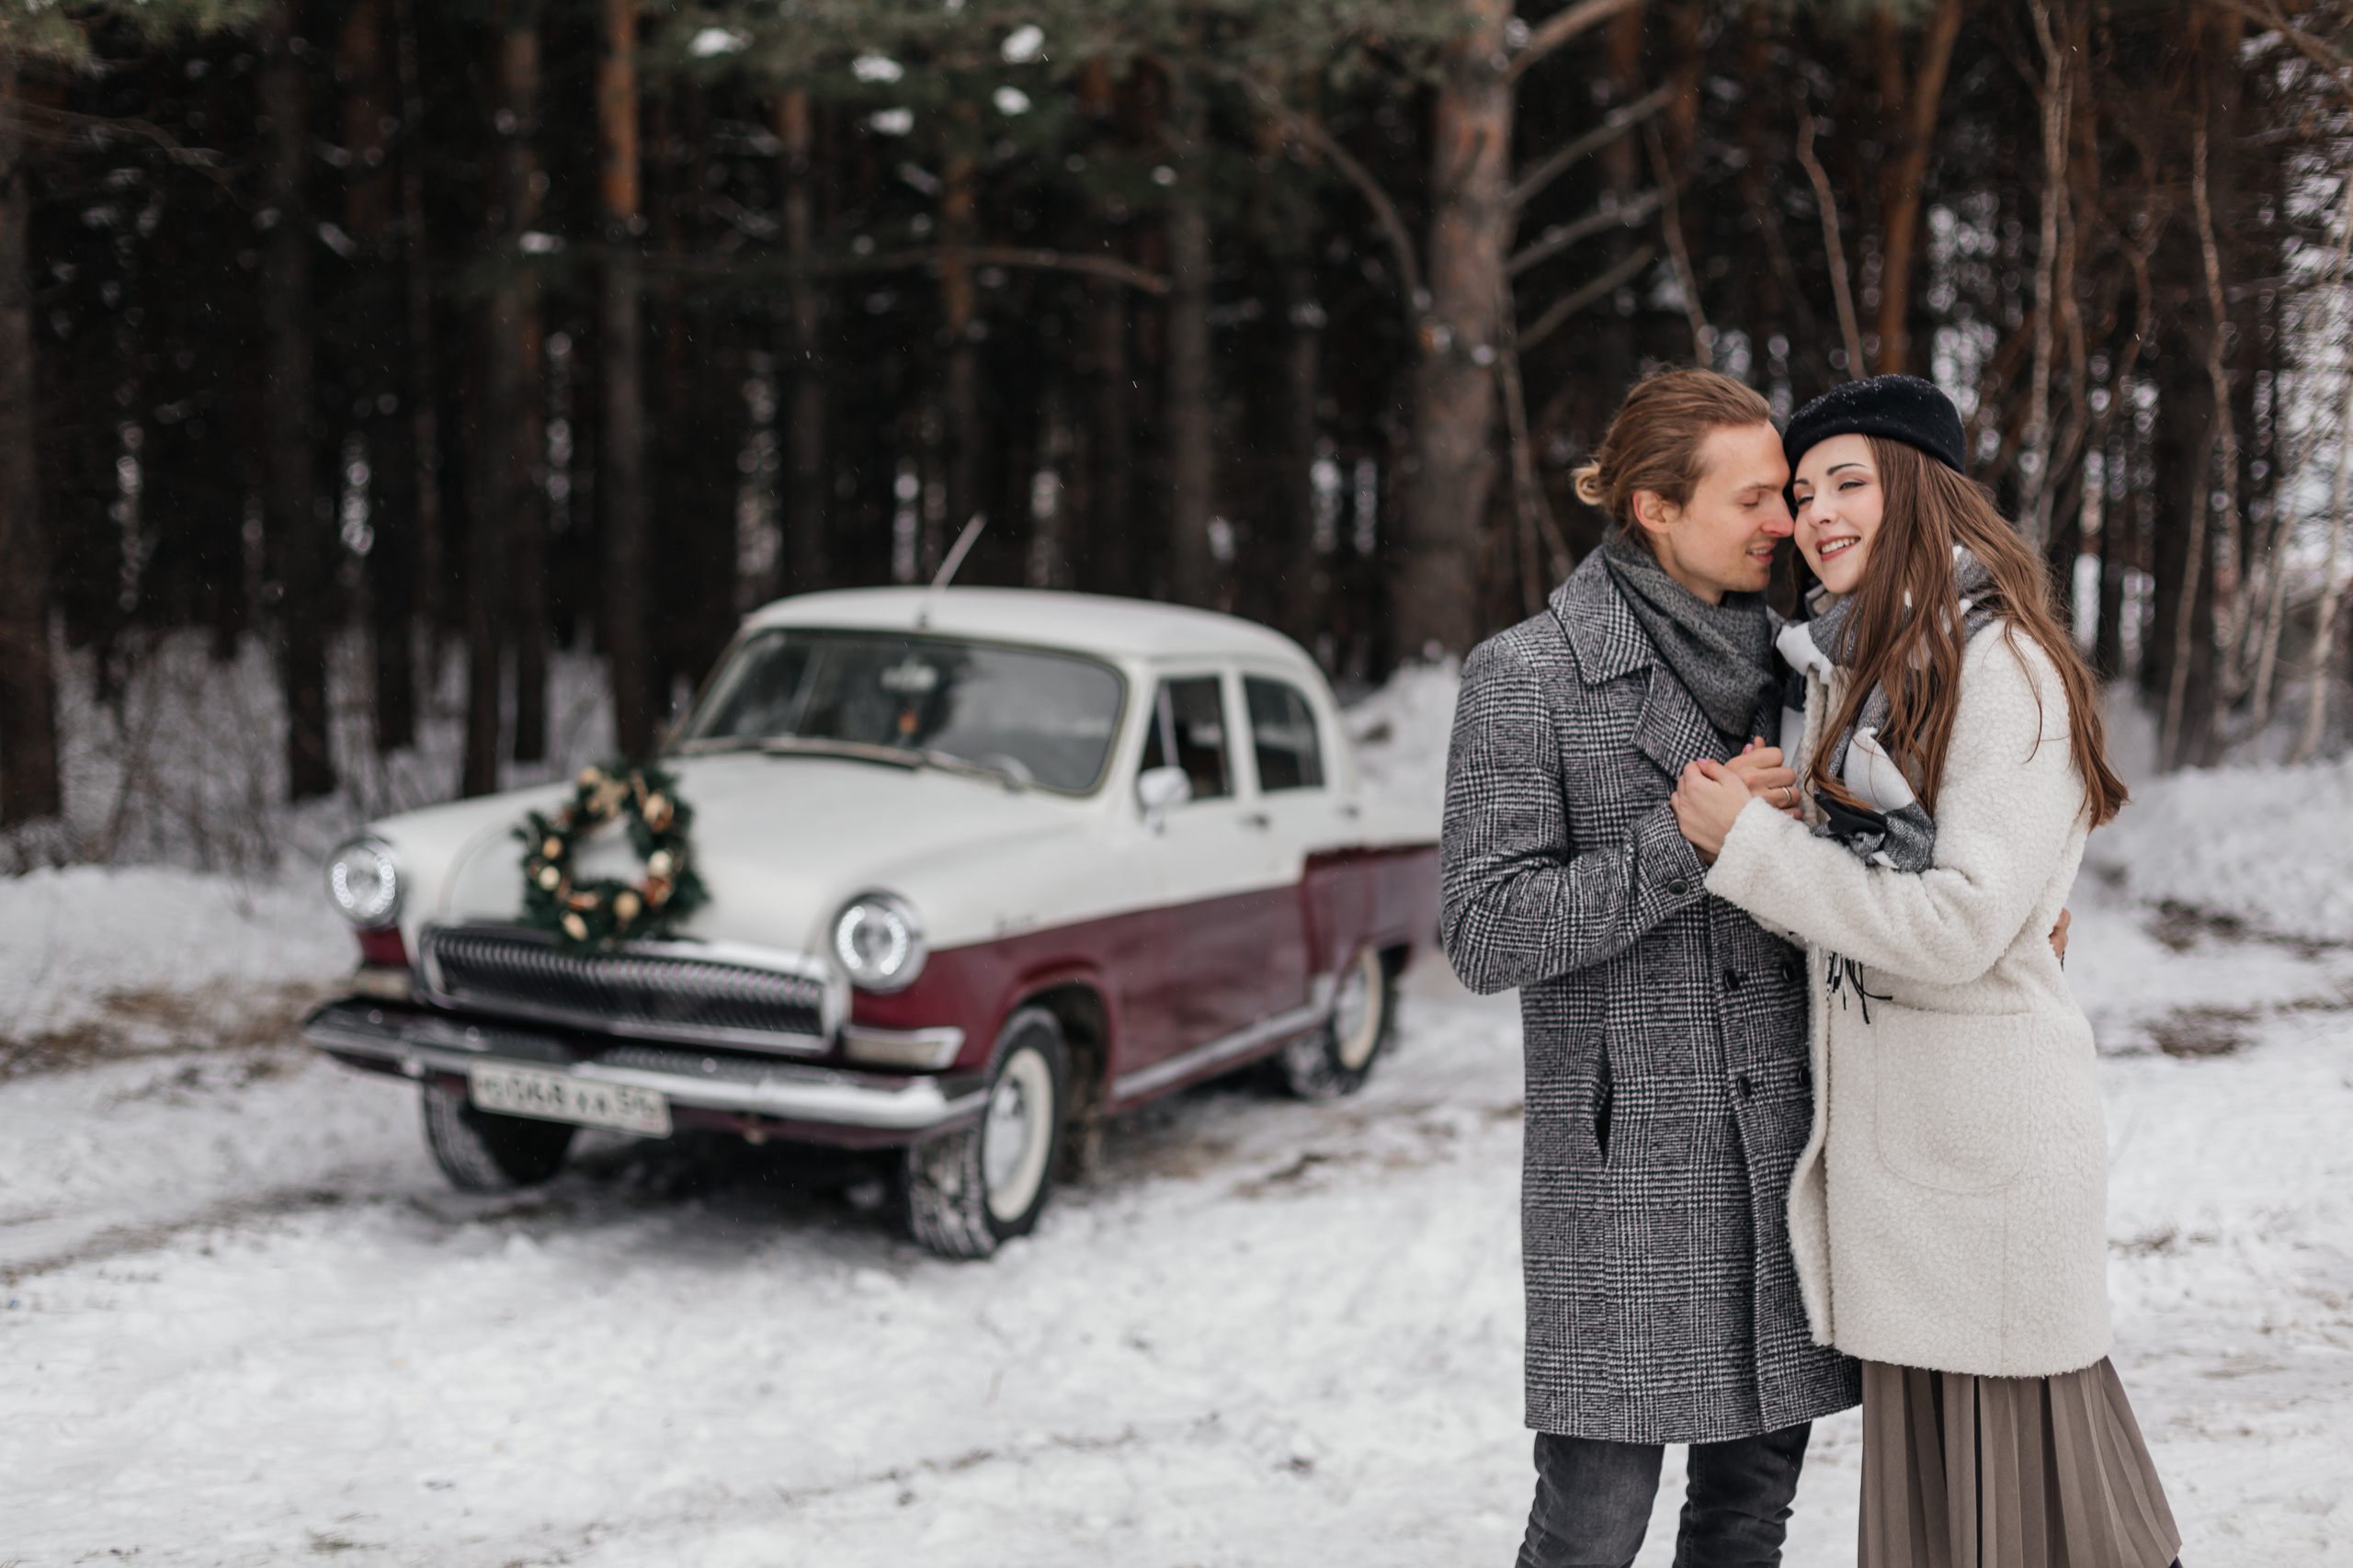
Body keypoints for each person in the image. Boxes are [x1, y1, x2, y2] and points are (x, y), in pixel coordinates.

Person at [1669, 374, 2182, 1568]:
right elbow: (1868, 910)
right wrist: (1778, 835)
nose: (1820, 512)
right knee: (1943, 1527)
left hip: (1988, 1164)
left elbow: (1956, 926)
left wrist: (1749, 852)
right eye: (1802, 493)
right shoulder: (1853, 675)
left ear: (1921, 492)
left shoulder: (2008, 668)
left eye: (1849, 480)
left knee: (2047, 1519)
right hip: (1906, 1175)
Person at [1441, 368, 1859, 1568]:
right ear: (1652, 509)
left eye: (1786, 493)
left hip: (1786, 1159)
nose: (1788, 522)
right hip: (1626, 1174)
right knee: (1590, 1535)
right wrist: (1683, 841)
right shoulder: (1525, 674)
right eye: (1754, 500)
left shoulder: (1807, 675)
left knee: (1746, 1523)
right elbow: (1484, 928)